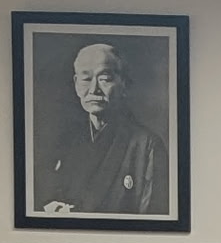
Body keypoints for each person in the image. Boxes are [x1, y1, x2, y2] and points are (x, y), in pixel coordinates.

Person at [37, 42, 166, 216]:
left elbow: (152, 223)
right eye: (85, 79)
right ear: (76, 84)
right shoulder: (66, 141)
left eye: (104, 79)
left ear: (124, 84)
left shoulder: (147, 146)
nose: (93, 90)